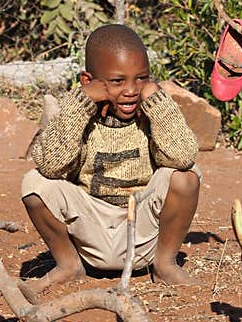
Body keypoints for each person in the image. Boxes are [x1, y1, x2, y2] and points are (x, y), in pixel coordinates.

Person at [19, 23, 201, 300]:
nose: (131, 90)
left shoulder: (152, 113)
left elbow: (184, 155)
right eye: (117, 81)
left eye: (141, 78)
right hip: (91, 229)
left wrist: (157, 102)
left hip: (143, 229)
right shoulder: (79, 115)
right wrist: (80, 103)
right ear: (87, 81)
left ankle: (164, 264)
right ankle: (69, 265)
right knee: (34, 183)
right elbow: (51, 165)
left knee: (186, 176)